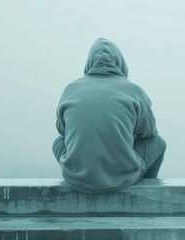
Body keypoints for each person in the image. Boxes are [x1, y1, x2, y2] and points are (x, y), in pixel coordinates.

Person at [52, 38, 166, 193]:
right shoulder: (134, 91)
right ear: (120, 63)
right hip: (122, 178)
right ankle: (147, 188)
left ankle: (82, 174)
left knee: (58, 142)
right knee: (158, 143)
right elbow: (149, 133)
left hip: (75, 179)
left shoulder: (70, 89)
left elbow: (62, 132)